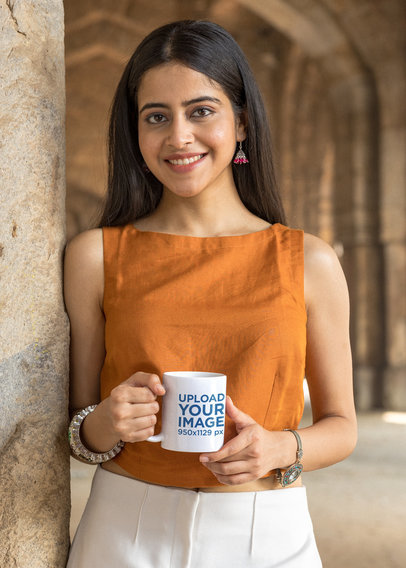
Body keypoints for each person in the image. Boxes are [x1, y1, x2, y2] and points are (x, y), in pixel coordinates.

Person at [65, 20, 357, 568]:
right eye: (157, 117)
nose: (179, 136)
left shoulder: (309, 260)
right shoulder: (93, 257)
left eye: (201, 111)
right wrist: (107, 420)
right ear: (135, 132)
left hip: (266, 533)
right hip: (123, 529)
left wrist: (280, 448)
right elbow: (80, 423)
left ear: (242, 123)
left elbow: (342, 427)